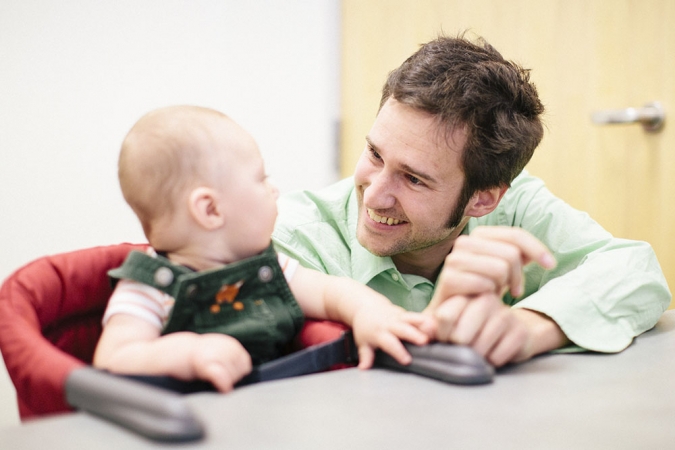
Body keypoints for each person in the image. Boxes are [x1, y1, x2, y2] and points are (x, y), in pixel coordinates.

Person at [272, 33, 671, 367]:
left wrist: (530, 328)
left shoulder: (517, 208)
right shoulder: (290, 236)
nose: (374, 194)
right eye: (375, 154)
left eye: (413, 179)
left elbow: (636, 271)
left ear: (483, 200)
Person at [93, 105, 435, 392]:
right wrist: (191, 354)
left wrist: (368, 312)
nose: (274, 191)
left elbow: (331, 293)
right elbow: (112, 360)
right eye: (260, 179)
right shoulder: (149, 287)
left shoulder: (270, 268)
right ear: (210, 210)